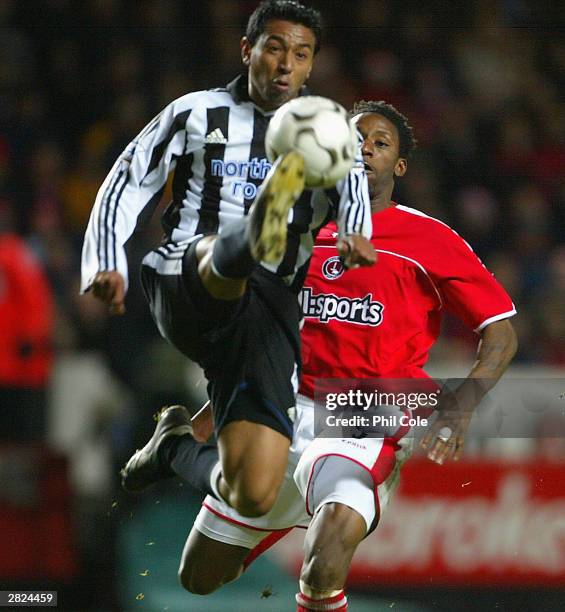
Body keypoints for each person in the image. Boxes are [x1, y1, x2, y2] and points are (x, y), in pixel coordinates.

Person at [136, 100, 518, 611]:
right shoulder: (294, 231)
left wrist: (464, 399)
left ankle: (319, 511)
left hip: (367, 411)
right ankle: (178, 447)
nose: (365, 149)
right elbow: (262, 336)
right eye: (355, 138)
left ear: (398, 167)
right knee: (200, 576)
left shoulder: (430, 239)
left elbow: (501, 331)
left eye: (381, 143)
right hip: (285, 407)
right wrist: (213, 415)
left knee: (329, 545)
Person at [80, 0, 375, 520]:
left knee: (252, 493)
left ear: (311, 65)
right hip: (187, 277)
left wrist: (354, 237)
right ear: (248, 51)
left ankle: (172, 445)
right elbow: (125, 182)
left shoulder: (335, 133)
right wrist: (107, 261)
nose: (286, 64)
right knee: (226, 255)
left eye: (301, 54)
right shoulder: (196, 112)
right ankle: (258, 226)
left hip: (266, 315)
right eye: (276, 48)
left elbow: (355, 202)